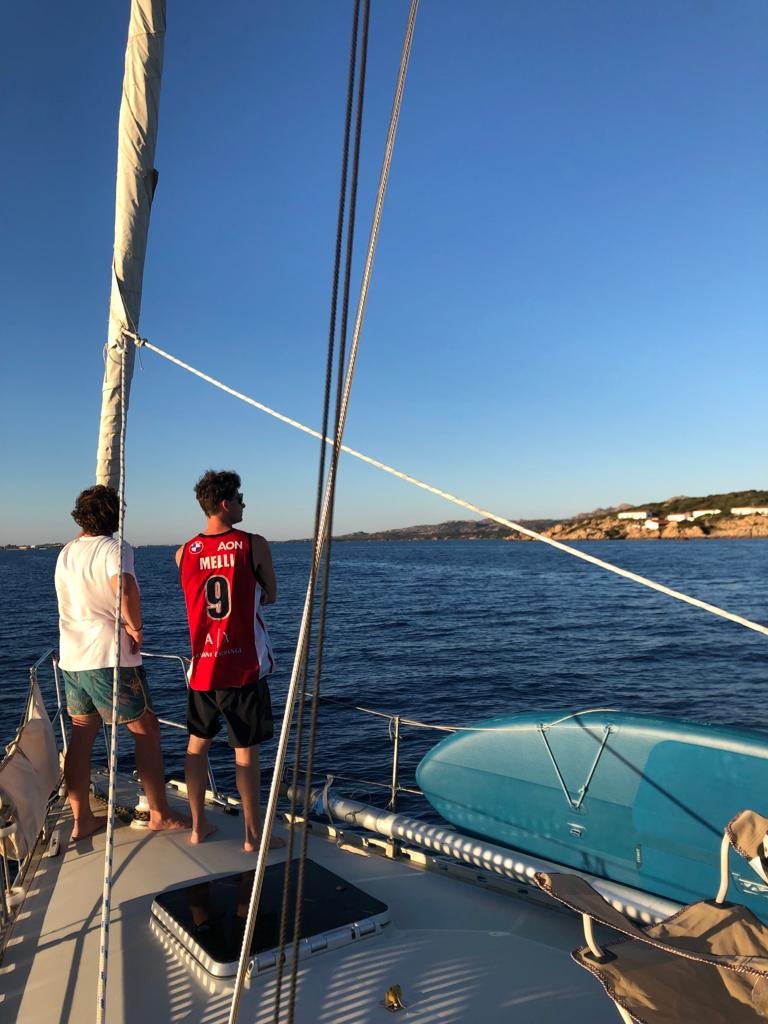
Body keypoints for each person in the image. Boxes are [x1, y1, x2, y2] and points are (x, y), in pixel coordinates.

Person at [55, 485, 189, 840]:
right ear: (113, 516)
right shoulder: (115, 548)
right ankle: (159, 813)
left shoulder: (66, 552)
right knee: (146, 729)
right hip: (109, 658)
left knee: (81, 737)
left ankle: (82, 819)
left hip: (73, 659)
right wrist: (136, 627)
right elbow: (125, 587)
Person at [176, 469, 283, 851]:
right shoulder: (253, 544)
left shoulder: (183, 552)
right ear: (225, 503)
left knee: (195, 746)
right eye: (240, 497)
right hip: (242, 669)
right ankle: (254, 836)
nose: (243, 503)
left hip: (202, 669)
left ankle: (197, 825)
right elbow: (270, 593)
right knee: (246, 754)